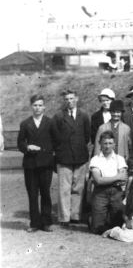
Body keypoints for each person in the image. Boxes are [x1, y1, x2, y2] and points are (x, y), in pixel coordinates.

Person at [52, 89, 90, 226]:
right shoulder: (58, 117)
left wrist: (77, 146)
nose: (69, 101)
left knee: (78, 188)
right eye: (67, 99)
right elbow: (55, 137)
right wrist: (62, 150)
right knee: (64, 188)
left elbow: (87, 136)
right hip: (64, 156)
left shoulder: (84, 115)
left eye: (72, 98)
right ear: (64, 101)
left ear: (77, 99)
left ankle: (75, 215)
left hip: (80, 156)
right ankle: (64, 217)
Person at [17, 95, 55, 232]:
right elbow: (20, 143)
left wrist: (48, 153)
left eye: (40, 105)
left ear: (44, 107)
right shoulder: (25, 123)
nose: (37, 108)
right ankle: (34, 223)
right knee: (32, 194)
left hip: (46, 163)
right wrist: (27, 147)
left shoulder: (50, 122)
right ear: (31, 107)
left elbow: (56, 142)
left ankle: (46, 222)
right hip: (30, 164)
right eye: (35, 105)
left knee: (45, 193)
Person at [89, 131, 128, 234]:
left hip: (116, 193)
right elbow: (98, 180)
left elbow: (123, 178)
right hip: (100, 193)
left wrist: (105, 179)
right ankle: (93, 218)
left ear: (114, 144)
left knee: (117, 226)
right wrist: (116, 177)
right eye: (105, 143)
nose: (107, 146)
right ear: (100, 144)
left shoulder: (120, 159)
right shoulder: (95, 160)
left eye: (110, 143)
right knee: (97, 229)